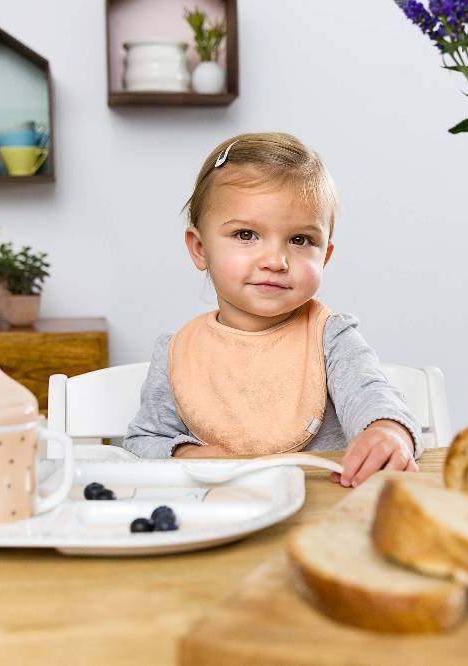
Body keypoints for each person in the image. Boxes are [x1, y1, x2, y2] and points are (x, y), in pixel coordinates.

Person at [122, 132, 421, 487]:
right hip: (222, 518)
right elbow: (142, 442)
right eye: (246, 235)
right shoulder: (177, 353)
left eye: (300, 240)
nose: (276, 261)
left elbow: (371, 394)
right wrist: (183, 455)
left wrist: (388, 430)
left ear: (324, 256)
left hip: (320, 509)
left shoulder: (331, 337)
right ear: (200, 248)